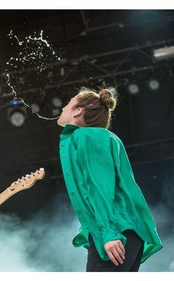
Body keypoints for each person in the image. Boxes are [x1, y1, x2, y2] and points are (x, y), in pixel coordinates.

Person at [56, 87, 162, 271]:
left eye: (68, 104)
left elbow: (99, 186)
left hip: (117, 232)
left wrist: (109, 233)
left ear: (78, 111)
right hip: (124, 231)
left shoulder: (87, 136)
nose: (63, 108)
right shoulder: (102, 137)